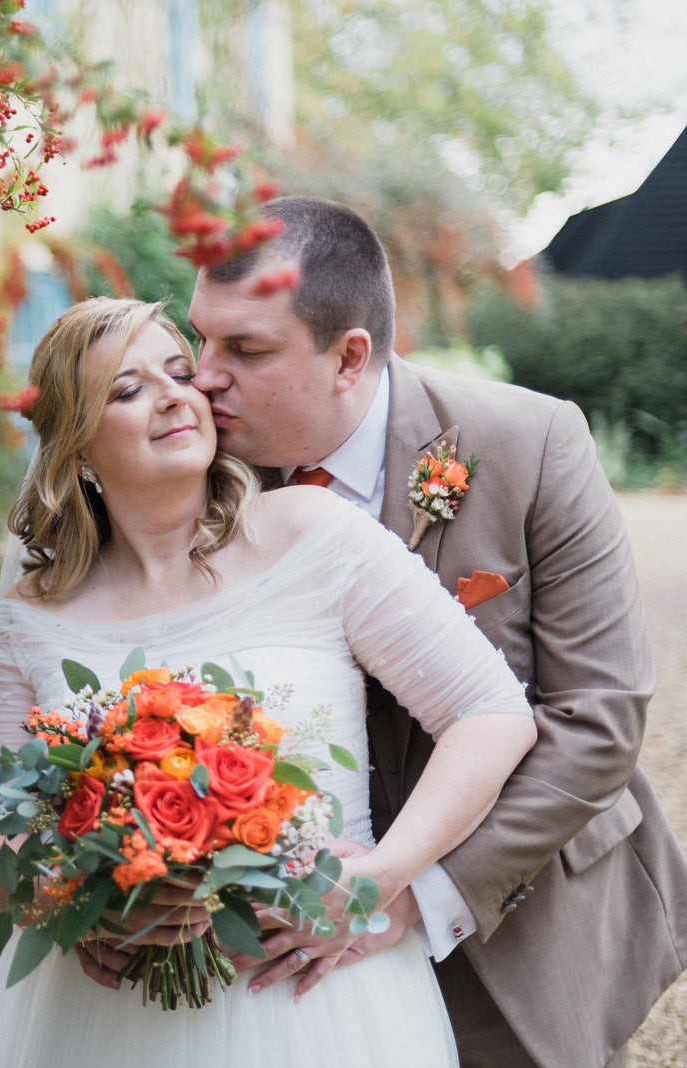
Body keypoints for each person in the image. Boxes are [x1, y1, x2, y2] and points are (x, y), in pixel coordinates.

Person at [0, 296, 537, 1067]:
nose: (175, 394)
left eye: (179, 372)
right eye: (126, 389)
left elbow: (491, 712)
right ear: (77, 450)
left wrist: (383, 878)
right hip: (111, 1023)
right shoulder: (36, 613)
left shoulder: (314, 535)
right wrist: (78, 901)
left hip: (319, 1006)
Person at [177, 195, 687, 1067]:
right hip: (271, 949)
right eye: (200, 338)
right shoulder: (189, 476)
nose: (201, 376)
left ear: (349, 358)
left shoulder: (531, 444)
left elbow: (597, 721)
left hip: (515, 912)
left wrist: (412, 895)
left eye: (245, 350)